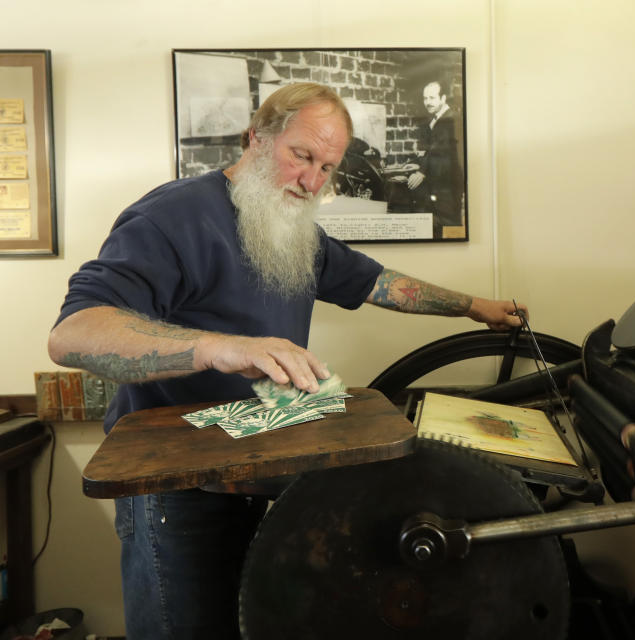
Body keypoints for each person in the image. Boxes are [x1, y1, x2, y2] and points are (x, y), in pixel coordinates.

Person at [47, 82, 526, 640]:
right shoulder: (172, 216)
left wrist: (475, 308)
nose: (312, 181)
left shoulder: (295, 231)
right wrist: (223, 347)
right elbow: (73, 334)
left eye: (328, 167)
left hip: (256, 475)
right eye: (301, 156)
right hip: (177, 494)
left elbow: (380, 284)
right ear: (256, 137)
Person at [406, 79, 465, 237]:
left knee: (449, 228)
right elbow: (430, 151)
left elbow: (443, 152)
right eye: (425, 98)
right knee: (436, 227)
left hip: (448, 187)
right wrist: (416, 165)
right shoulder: (434, 120)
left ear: (443, 98)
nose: (427, 102)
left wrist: (421, 172)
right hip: (436, 185)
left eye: (432, 98)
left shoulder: (452, 119)